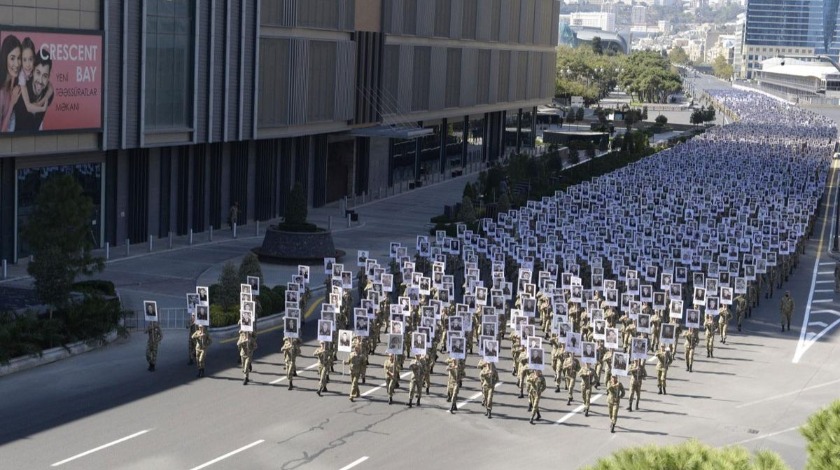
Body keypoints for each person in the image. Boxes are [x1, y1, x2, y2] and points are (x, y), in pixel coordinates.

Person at [13, 44, 53, 132]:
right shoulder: (21, 88)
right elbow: (28, 107)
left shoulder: (48, 92)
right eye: (38, 73)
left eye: (45, 76)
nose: (41, 80)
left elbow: (51, 88)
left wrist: (40, 102)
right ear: (34, 71)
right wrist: (42, 108)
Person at [0, 35, 21, 132]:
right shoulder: (1, 93)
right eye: (12, 58)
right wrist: (12, 102)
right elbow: (2, 132)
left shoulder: (13, 83)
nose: (17, 64)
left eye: (19, 58)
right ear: (5, 58)